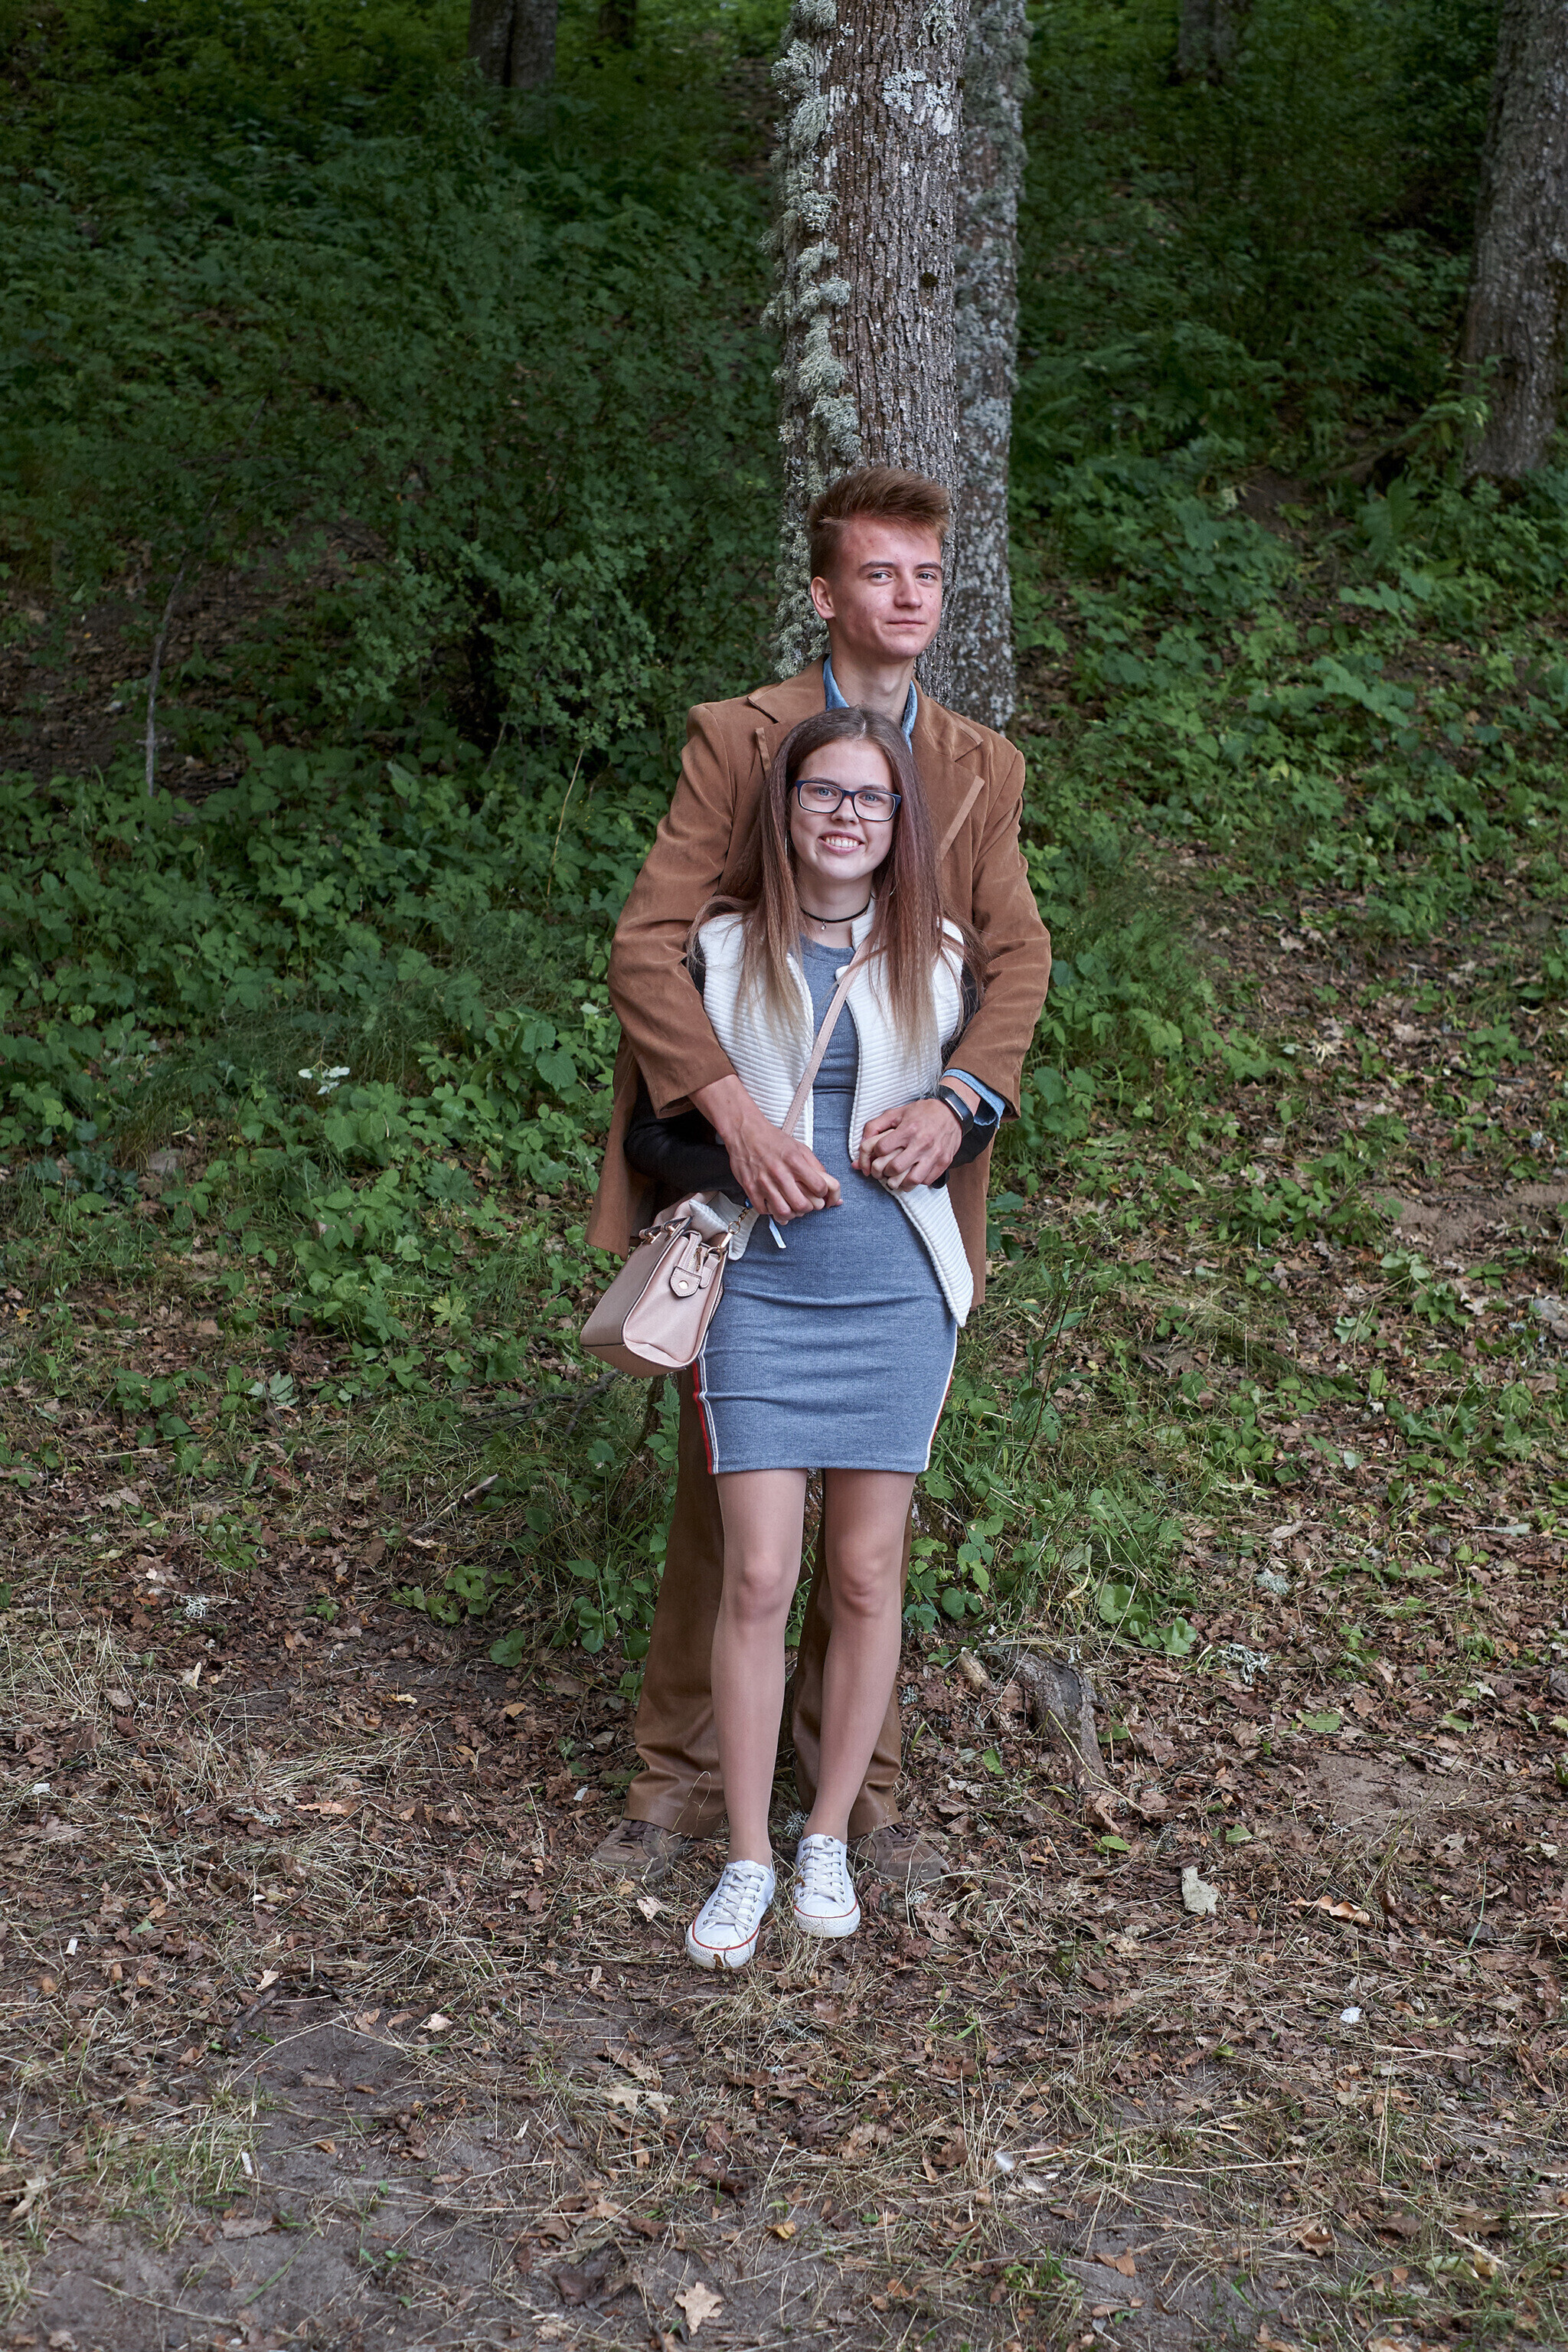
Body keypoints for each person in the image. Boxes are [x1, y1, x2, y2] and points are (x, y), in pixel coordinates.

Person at [587, 464, 1052, 1889]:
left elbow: (1017, 954)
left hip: (896, 1203)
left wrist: (965, 1100)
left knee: (871, 1532)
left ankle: (856, 1801)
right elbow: (647, 947)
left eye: (928, 576)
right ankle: (678, 1785)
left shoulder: (978, 765)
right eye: (879, 573)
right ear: (825, 592)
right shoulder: (743, 738)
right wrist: (730, 1115)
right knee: (727, 1502)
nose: (908, 599)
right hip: (750, 1192)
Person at [629, 705, 989, 1965]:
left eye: (872, 798)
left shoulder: (939, 960)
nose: (846, 815)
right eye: (823, 793)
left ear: (901, 825)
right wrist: (742, 1155)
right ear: (784, 810)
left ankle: (828, 1833)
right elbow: (651, 1136)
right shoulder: (722, 952)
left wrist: (946, 1124)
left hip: (895, 1295)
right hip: (759, 1297)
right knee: (761, 1576)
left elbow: (972, 1118)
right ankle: (747, 1855)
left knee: (867, 1574)